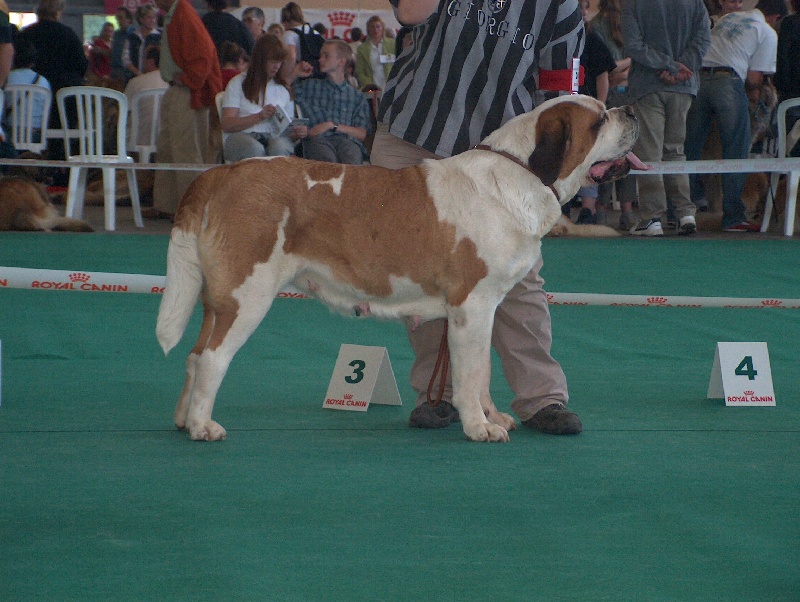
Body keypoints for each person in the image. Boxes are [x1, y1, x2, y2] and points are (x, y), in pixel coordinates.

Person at [371, 0, 586, 435]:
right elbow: (408, 13)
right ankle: (438, 392)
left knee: (520, 275)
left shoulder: (559, 8)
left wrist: (594, 149)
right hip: (414, 132)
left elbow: (563, 95)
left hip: (499, 154)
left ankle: (541, 398)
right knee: (422, 270)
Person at [684, 0, 783, 232]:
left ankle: (681, 212)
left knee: (690, 148)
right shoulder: (767, 32)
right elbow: (754, 78)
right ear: (775, 17)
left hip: (698, 79)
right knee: (736, 150)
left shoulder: (729, 18)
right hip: (728, 82)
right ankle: (733, 217)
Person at [621, 0, 711, 237]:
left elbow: (633, 45)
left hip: (647, 85)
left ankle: (652, 217)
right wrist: (682, 69)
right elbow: (703, 40)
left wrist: (667, 65)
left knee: (649, 152)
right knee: (675, 150)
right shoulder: (695, 3)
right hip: (684, 86)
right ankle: (685, 214)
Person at [150, 0, 223, 220]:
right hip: (176, 89)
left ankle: (193, 209)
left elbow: (203, 55)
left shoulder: (184, 13)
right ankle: (167, 205)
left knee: (187, 151)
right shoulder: (175, 13)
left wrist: (189, 79)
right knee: (167, 148)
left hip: (188, 91)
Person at [591, 0, 638, 230]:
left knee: (622, 153)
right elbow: (608, 68)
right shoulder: (598, 24)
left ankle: (621, 210)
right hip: (614, 95)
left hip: (625, 93)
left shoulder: (630, 21)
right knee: (612, 153)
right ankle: (608, 209)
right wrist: (631, 63)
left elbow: (613, 68)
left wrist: (622, 68)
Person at [574, 0, 619, 226]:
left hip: (588, 108)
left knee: (589, 157)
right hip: (564, 106)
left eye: (585, 8)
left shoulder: (591, 39)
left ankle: (588, 207)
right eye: (579, 7)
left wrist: (600, 106)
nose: (583, 12)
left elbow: (603, 75)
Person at [221, 33, 300, 161]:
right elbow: (227, 124)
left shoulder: (283, 88)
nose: (277, 66)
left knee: (279, 147)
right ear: (260, 60)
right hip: (242, 136)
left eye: (280, 62)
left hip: (273, 137)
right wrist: (259, 116)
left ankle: (272, 180)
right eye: (273, 61)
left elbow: (287, 130)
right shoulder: (237, 83)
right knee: (255, 149)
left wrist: (296, 133)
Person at [293, 39, 370, 165]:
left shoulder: (356, 96)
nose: (320, 59)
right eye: (321, 55)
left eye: (326, 56)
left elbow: (361, 134)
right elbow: (286, 93)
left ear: (341, 61)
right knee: (327, 162)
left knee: (352, 159)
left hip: (346, 141)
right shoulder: (310, 86)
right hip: (317, 139)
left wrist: (332, 126)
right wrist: (295, 74)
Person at [124, 44, 168, 153]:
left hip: (138, 138)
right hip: (166, 138)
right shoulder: (171, 83)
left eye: (144, 59)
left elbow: (125, 110)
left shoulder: (135, 82)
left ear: (151, 62)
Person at [5, 38, 51, 138]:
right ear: (32, 61)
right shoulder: (43, 81)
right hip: (35, 134)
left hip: (10, 133)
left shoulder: (6, 78)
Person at [775, 0, 800, 156]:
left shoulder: (790, 23)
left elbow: (782, 58)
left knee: (789, 144)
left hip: (792, 95)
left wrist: (781, 88)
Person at [355, 15, 395, 91]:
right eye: (372, 27)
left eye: (378, 26)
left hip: (390, 86)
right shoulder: (362, 49)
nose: (375, 30)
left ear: (382, 28)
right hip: (372, 89)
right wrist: (370, 86)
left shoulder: (393, 44)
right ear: (368, 29)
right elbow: (360, 71)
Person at [122, 4, 162, 79]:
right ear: (141, 19)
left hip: (154, 77)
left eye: (154, 17)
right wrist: (136, 71)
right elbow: (125, 58)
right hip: (133, 77)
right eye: (149, 17)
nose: (152, 20)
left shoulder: (159, 37)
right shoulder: (132, 37)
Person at [110, 7, 135, 85]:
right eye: (117, 18)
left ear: (129, 19)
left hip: (127, 72)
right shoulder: (116, 34)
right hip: (114, 69)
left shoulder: (134, 34)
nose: (119, 21)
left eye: (121, 18)